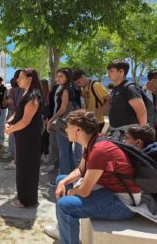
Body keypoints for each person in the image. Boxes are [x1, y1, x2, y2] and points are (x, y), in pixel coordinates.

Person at [44, 110, 140, 244]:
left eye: (68, 126)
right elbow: (81, 170)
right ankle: (62, 229)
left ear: (78, 129)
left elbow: (84, 191)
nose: (65, 130)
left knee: (64, 206)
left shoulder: (99, 150)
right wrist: (63, 182)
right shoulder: (92, 142)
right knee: (61, 180)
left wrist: (73, 192)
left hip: (122, 203)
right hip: (109, 191)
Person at [5, 68, 42, 208]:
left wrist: (11, 130)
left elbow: (26, 121)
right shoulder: (26, 93)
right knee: (22, 167)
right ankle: (23, 196)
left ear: (30, 79)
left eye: (21, 77)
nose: (17, 80)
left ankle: (26, 200)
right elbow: (18, 112)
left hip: (29, 140)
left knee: (27, 168)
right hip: (22, 137)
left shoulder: (33, 96)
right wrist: (10, 121)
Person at [47, 68, 79, 175]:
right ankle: (71, 175)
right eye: (57, 76)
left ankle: (65, 178)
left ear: (67, 78)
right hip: (69, 122)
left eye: (61, 76)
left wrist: (51, 119)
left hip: (63, 123)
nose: (58, 78)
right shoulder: (69, 88)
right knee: (67, 151)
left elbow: (63, 108)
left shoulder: (65, 90)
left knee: (63, 151)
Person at [107, 59, 147, 140]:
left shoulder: (130, 88)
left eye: (111, 71)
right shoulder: (115, 89)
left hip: (128, 135)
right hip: (116, 134)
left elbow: (141, 112)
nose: (108, 74)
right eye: (108, 71)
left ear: (121, 71)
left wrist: (141, 135)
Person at [4, 70, 24, 170]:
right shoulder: (12, 90)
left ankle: (18, 158)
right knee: (12, 136)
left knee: (18, 136)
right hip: (13, 113)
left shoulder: (24, 90)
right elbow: (10, 101)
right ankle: (12, 153)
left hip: (19, 115)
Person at [40, 79, 50, 163]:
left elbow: (48, 107)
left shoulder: (48, 95)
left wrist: (47, 118)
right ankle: (41, 154)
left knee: (45, 137)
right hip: (40, 118)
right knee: (41, 137)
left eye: (41, 85)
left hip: (46, 119)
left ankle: (46, 154)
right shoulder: (39, 95)